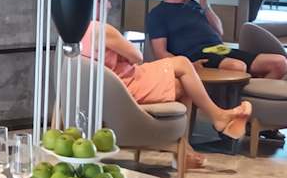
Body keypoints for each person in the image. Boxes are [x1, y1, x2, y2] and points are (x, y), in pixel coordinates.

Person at [82, 20, 252, 160]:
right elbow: (137, 56)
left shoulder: (77, 33)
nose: (109, 4)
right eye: (105, 0)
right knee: (183, 72)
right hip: (126, 85)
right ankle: (215, 119)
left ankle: (188, 144)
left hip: (110, 89)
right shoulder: (101, 29)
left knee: (183, 73)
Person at [146, 0, 287, 82]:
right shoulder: (158, 14)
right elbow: (160, 53)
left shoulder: (194, 5)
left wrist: (205, 4)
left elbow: (219, 31)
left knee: (279, 63)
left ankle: (250, 99)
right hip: (197, 56)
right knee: (237, 66)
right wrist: (186, 65)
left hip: (221, 50)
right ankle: (239, 100)